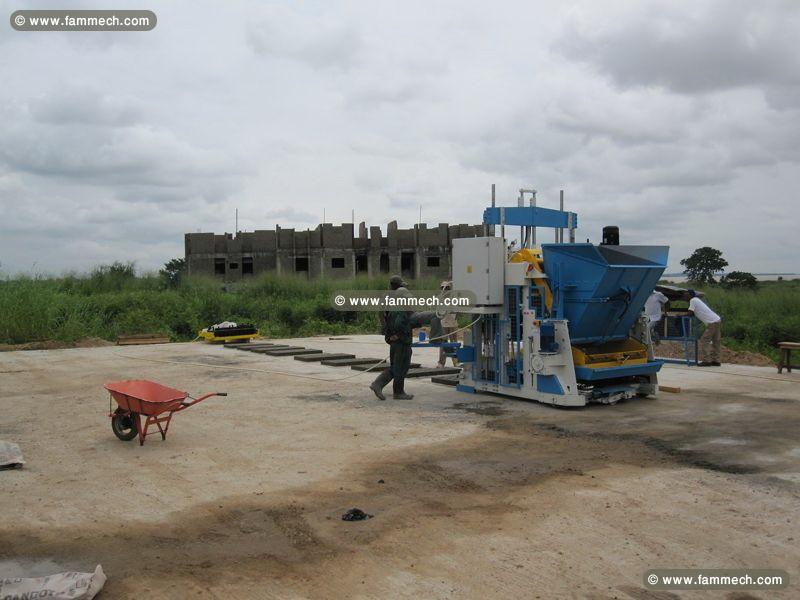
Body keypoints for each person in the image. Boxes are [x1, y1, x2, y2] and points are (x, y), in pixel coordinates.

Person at [370, 275, 415, 401]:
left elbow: (382, 315)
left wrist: (388, 332)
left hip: (395, 337)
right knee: (399, 366)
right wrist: (398, 334)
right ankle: (381, 385)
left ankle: (396, 390)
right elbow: (399, 322)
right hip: (400, 339)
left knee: (400, 365)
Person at [686, 289, 722, 366]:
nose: (685, 296)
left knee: (704, 340)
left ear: (689, 295)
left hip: (712, 322)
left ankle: (707, 360)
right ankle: (717, 360)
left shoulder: (692, 300)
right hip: (717, 320)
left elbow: (690, 313)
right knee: (716, 341)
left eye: (686, 295)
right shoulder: (696, 300)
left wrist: (679, 315)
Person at [436, 281, 460, 368]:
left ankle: (456, 361)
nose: (445, 290)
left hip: (452, 323)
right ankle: (441, 363)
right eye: (443, 288)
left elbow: (457, 310)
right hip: (443, 324)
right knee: (443, 344)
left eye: (446, 288)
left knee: (454, 343)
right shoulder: (439, 298)